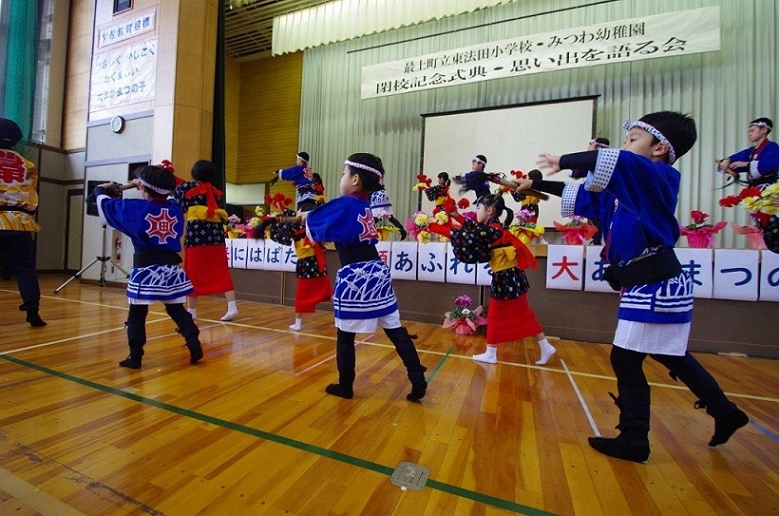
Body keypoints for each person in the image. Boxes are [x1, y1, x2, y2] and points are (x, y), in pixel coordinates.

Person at [515, 111, 748, 463]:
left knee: (625, 359)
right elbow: (582, 196)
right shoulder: (624, 189)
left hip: (654, 281)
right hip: (651, 281)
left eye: (634, 138)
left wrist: (561, 160)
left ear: (659, 148)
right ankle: (724, 410)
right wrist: (535, 187)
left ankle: (635, 438)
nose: (626, 145)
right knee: (670, 356)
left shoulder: (659, 175)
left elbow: (617, 161)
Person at [301, 152, 427, 401]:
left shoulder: (345, 204)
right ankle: (417, 377)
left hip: (355, 275)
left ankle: (345, 385)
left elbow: (316, 224)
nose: (342, 178)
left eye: (344, 173)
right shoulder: (370, 205)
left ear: (355, 179)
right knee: (395, 330)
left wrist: (305, 216)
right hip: (378, 272)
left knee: (345, 335)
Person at [94, 165, 204, 369]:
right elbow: (168, 197)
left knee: (137, 313)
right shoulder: (175, 210)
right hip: (171, 268)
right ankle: (193, 341)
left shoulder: (135, 208)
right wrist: (143, 184)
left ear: (143, 189)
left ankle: (135, 356)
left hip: (146, 270)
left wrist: (104, 189)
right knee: (176, 310)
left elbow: (104, 202)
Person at [430, 194, 556, 366]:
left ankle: (494, 352)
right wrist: (456, 215)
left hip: (507, 279)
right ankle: (542, 346)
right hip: (509, 277)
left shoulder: (491, 230)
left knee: (503, 313)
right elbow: (473, 228)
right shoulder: (491, 228)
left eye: (478, 208)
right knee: (519, 313)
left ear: (489, 210)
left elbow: (468, 236)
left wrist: (433, 227)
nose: (476, 211)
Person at [173, 160, 238, 321]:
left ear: (194, 173)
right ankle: (232, 306)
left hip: (196, 236)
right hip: (216, 236)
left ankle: (192, 310)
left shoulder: (186, 188)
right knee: (221, 270)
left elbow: (179, 206)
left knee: (193, 272)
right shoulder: (216, 191)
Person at [0, 117, 46, 326]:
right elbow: (30, 194)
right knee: (25, 268)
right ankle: (33, 312)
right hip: (19, 222)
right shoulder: (27, 164)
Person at [260, 207, 332, 331]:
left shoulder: (299, 227)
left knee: (302, 293)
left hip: (307, 263)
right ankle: (345, 313)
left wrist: (277, 222)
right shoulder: (310, 226)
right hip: (318, 263)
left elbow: (279, 234)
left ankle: (298, 323)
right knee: (326, 291)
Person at [717, 118, 779, 187]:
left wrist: (747, 164)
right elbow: (736, 158)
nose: (749, 134)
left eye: (752, 131)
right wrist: (727, 161)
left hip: (769, 188)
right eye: (748, 132)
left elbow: (772, 164)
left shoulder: (772, 147)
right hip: (754, 189)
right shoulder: (751, 151)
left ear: (763, 130)